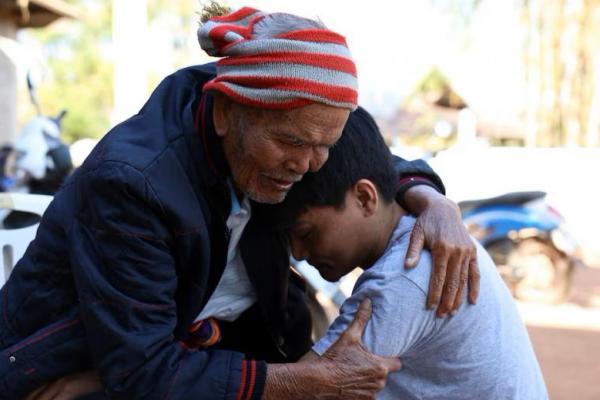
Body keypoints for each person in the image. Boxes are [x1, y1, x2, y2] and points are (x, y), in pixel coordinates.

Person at [1, 6, 479, 400]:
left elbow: (371, 166)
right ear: (228, 113)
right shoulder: (134, 186)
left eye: (325, 144)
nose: (308, 165)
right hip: (62, 374)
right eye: (292, 142)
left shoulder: (294, 113)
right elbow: (143, 373)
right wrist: (305, 382)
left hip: (180, 354)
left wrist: (434, 202)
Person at [273, 106, 548, 399]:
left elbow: (301, 390)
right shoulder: (435, 234)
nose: (298, 253)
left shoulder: (403, 274)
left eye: (305, 233)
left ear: (365, 198)